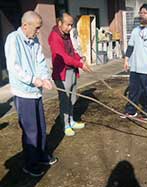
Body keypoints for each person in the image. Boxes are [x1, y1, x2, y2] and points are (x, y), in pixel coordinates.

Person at [4, 11, 58, 177]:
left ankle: (41, 155)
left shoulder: (34, 41)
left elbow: (41, 62)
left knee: (41, 128)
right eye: (36, 28)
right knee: (30, 131)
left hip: (36, 93)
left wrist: (46, 78)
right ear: (25, 25)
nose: (38, 32)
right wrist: (34, 79)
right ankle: (30, 164)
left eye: (39, 28)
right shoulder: (13, 39)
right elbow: (14, 67)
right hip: (23, 92)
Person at [48, 13, 92, 136]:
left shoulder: (66, 35)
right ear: (60, 23)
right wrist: (80, 65)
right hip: (62, 73)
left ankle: (71, 121)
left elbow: (72, 52)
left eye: (71, 25)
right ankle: (65, 124)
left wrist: (80, 59)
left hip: (71, 71)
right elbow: (64, 57)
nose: (70, 28)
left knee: (72, 98)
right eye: (68, 25)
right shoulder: (54, 37)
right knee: (65, 100)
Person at [121, 4, 147, 120]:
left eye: (144, 13)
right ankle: (131, 111)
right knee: (133, 91)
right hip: (135, 66)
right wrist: (126, 60)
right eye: (140, 12)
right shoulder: (135, 30)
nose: (141, 15)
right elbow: (130, 47)